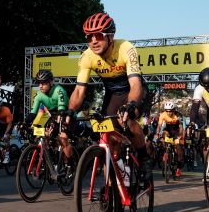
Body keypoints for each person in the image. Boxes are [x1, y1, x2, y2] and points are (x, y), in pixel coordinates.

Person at [68, 13, 145, 151]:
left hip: (134, 90)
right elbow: (79, 90)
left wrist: (131, 105)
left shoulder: (126, 48)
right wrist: (70, 111)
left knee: (128, 119)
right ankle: (114, 161)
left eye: (98, 35)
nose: (93, 41)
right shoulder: (87, 56)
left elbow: (135, 84)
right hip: (113, 94)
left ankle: (144, 157)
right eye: (89, 37)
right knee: (108, 133)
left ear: (111, 36)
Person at [29, 69, 73, 163]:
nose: (40, 86)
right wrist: (25, 123)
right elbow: (33, 112)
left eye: (44, 83)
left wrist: (58, 122)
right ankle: (51, 158)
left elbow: (61, 109)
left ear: (51, 82)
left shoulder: (59, 90)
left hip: (65, 113)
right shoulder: (39, 95)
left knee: (62, 138)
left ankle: (69, 163)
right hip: (52, 115)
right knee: (44, 135)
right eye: (39, 83)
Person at [155, 101, 184, 177]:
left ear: (173, 110)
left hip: (177, 130)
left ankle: (178, 168)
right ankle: (166, 151)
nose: (168, 113)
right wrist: (157, 133)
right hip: (168, 129)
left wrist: (180, 136)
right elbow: (159, 126)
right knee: (164, 135)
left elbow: (181, 128)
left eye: (170, 111)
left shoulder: (178, 115)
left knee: (178, 148)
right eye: (167, 111)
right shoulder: (163, 115)